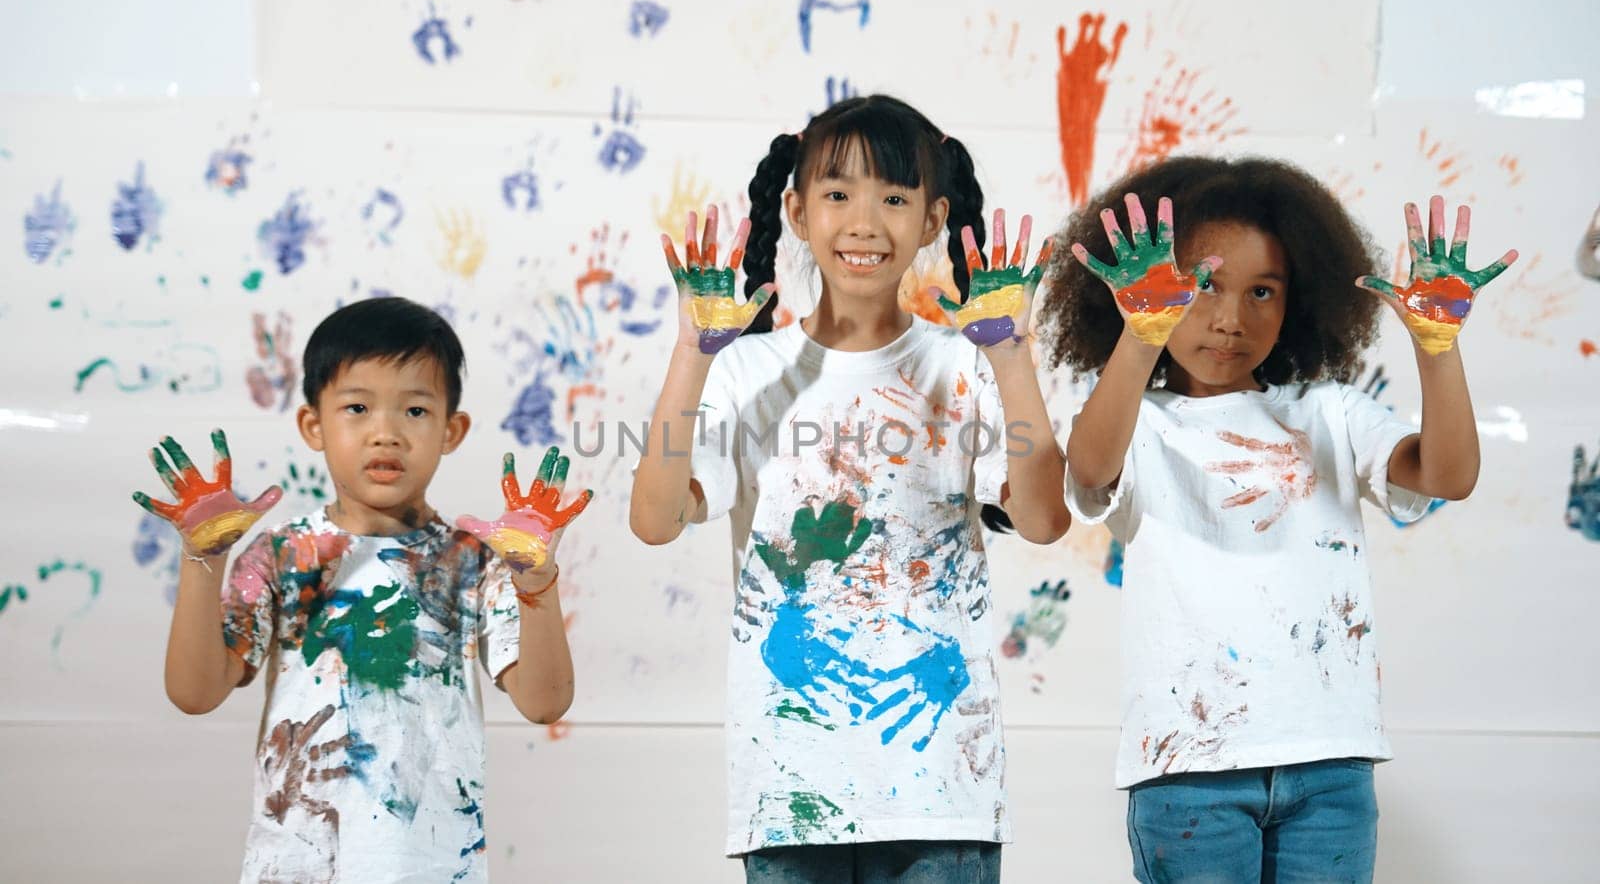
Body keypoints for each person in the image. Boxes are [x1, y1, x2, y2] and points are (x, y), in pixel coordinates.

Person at [1037, 156, 1516, 883]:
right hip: (1189, 770)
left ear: (1299, 301)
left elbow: (1449, 474)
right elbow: (1090, 469)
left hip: (1330, 766)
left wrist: (1437, 348)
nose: (1231, 319)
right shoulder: (1138, 423)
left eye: (1263, 291)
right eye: (1202, 287)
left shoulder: (1328, 412)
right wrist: (1142, 334)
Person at [630, 94, 1069, 883]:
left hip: (941, 788)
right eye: (838, 195)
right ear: (796, 212)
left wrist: (1013, 355)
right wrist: (691, 353)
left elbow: (1040, 518)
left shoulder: (966, 364)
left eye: (894, 199)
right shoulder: (745, 370)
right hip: (791, 785)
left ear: (934, 219)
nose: (865, 223)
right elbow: (656, 521)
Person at [134, 296, 591, 882]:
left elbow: (544, 701)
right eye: (357, 407)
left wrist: (536, 584)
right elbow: (194, 693)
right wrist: (202, 561)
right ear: (313, 425)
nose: (386, 433)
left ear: (453, 429)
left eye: (416, 412)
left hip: (432, 866)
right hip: (297, 866)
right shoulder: (281, 557)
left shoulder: (472, 563)